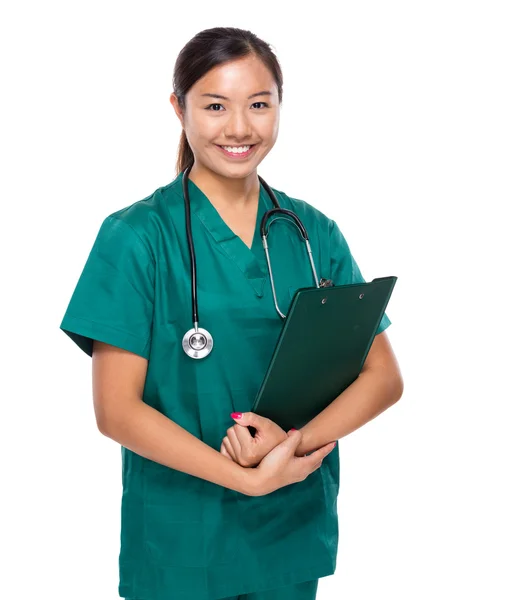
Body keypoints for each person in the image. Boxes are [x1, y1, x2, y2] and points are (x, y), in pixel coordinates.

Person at [59, 26, 403, 600]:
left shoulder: (314, 234)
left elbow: (384, 377)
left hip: (289, 535)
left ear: (279, 108)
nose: (240, 128)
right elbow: (116, 410)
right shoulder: (136, 237)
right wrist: (245, 479)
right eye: (215, 106)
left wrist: (289, 450)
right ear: (179, 108)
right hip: (181, 543)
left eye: (259, 105)